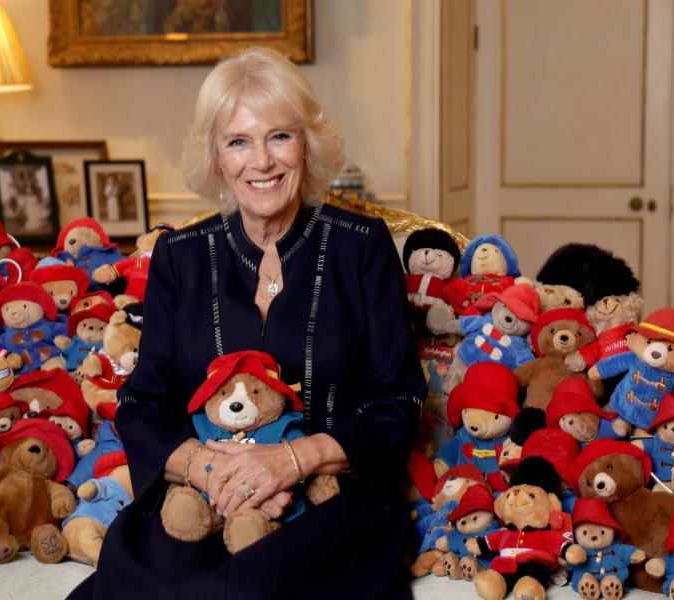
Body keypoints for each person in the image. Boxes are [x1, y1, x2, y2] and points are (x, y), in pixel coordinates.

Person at [68, 47, 427, 600]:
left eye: (279, 136)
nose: (261, 161)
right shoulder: (181, 257)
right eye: (239, 141)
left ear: (307, 143)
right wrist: (213, 473)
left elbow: (398, 403)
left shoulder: (361, 249)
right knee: (136, 581)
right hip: (203, 496)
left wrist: (290, 461)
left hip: (332, 501)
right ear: (216, 155)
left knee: (258, 585)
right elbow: (144, 405)